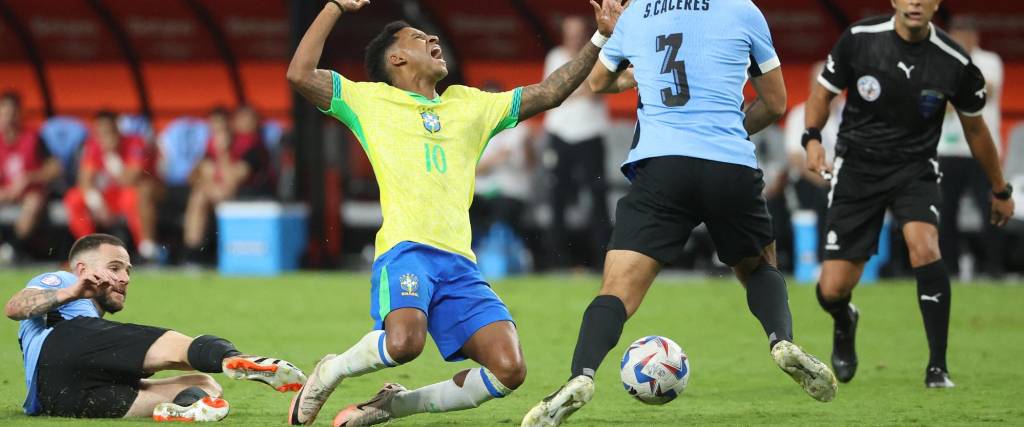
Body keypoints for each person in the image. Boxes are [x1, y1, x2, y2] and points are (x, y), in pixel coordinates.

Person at [284, 0, 626, 425]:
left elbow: (551, 92)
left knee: (509, 370)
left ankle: (393, 405)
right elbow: (299, 73)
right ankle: (330, 371)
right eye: (417, 37)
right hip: (407, 250)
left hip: (460, 264)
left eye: (430, 35)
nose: (432, 38)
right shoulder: (368, 100)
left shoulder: (470, 106)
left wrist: (601, 37)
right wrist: (334, 6)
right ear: (396, 58)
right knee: (405, 343)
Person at [522, 1, 838, 425]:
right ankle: (781, 341)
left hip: (662, 166)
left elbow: (598, 81)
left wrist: (639, 73)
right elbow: (776, 103)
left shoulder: (637, 13)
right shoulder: (744, 10)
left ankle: (581, 375)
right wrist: (724, 130)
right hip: (729, 164)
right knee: (758, 266)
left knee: (616, 290)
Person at [803, 0, 1015, 388]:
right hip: (858, 170)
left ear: (937, 3)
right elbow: (821, 95)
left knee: (925, 246)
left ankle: (938, 367)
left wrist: (1000, 188)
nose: (915, 2)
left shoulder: (954, 60)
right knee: (831, 288)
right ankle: (844, 319)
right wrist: (812, 139)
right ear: (895, 1)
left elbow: (977, 130)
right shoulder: (859, 40)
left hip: (914, 169)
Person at [5, 233, 306, 421]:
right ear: (83, 269)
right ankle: (233, 358)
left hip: (56, 401)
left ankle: (183, 409)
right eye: (114, 268)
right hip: (57, 349)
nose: (125, 278)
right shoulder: (63, 281)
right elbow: (14, 307)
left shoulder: (93, 325)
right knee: (171, 348)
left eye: (127, 271)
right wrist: (70, 292)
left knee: (204, 385)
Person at [937, 18, 1005, 279]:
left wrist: (953, 93)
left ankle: (995, 267)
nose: (959, 40)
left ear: (974, 37)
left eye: (964, 35)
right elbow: (941, 103)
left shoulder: (989, 60)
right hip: (948, 151)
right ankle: (950, 268)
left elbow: (987, 90)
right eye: (956, 35)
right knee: (946, 211)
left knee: (992, 207)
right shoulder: (942, 59)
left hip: (982, 150)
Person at [543, 16, 612, 271]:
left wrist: (569, 88)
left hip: (590, 134)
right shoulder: (554, 57)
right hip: (560, 134)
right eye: (570, 33)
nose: (574, 38)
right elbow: (550, 92)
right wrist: (582, 87)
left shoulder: (599, 54)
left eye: (578, 33)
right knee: (557, 198)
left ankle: (602, 260)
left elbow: (596, 89)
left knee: (597, 197)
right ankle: (556, 261)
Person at [64, 111, 159, 261]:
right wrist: (96, 201)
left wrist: (111, 156)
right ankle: (88, 251)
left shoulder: (134, 142)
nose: (105, 136)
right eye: (100, 132)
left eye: (108, 130)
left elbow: (131, 178)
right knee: (73, 198)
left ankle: (146, 250)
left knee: (134, 196)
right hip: (107, 196)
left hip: (129, 193)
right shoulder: (94, 146)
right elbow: (84, 180)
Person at [182, 106, 272, 265]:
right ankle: (192, 252)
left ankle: (195, 254)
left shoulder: (251, 146)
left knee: (204, 194)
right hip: (217, 194)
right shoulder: (210, 147)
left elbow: (233, 181)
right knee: (199, 194)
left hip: (247, 195)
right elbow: (192, 178)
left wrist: (223, 153)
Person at [784, 62, 844, 256]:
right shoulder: (799, 114)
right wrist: (824, 175)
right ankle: (824, 257)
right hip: (810, 179)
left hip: (843, 178)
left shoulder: (848, 115)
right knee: (823, 195)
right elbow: (795, 159)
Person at [0, 91, 61, 262]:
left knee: (33, 202)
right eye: (4, 113)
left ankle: (13, 248)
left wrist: (29, 178)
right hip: (5, 192)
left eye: (12, 114)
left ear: (19, 114)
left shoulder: (33, 138)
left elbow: (55, 168)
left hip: (31, 192)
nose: (8, 119)